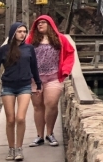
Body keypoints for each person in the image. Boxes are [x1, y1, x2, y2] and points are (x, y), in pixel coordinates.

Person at [0, 22, 43, 162]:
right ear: (13, 33)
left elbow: (34, 67)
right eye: (20, 31)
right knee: (10, 120)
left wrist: (38, 84)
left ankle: (19, 149)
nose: (23, 34)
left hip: (25, 87)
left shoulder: (29, 48)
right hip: (8, 86)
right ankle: (11, 149)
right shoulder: (4, 49)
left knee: (20, 118)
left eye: (24, 31)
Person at [26, 15, 75, 147]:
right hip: (35, 79)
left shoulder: (61, 39)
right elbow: (22, 55)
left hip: (53, 77)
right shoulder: (31, 39)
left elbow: (70, 53)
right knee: (38, 106)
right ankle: (39, 136)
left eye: (43, 23)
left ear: (50, 24)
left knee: (51, 103)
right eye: (38, 23)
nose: (40, 25)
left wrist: (65, 70)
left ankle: (50, 133)